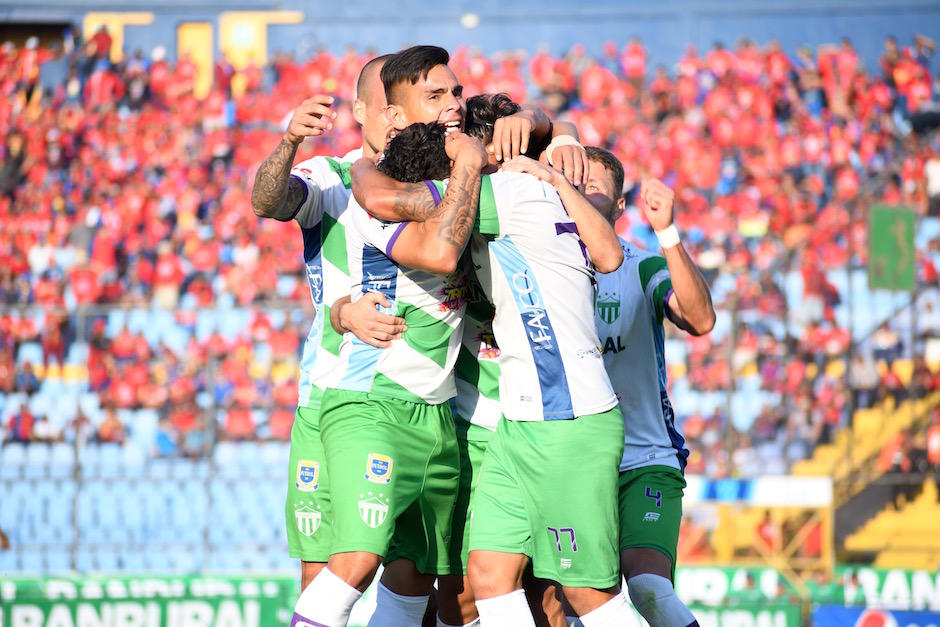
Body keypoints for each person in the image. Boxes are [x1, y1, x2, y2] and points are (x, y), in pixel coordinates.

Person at [374, 121, 631, 626]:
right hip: (519, 423)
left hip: (568, 418)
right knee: (488, 578)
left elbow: (392, 203)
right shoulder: (528, 186)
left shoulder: (507, 190)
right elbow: (609, 253)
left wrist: (360, 168)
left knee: (588, 598)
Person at [289, 115, 488, 627]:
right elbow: (440, 253)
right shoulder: (376, 211)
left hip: (438, 415)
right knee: (355, 563)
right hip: (377, 405)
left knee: (413, 582)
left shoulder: (462, 208)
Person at [251, 54, 408, 593]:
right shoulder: (329, 176)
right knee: (322, 573)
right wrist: (290, 140)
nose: (396, 117)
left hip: (418, 399)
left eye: (403, 106)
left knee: (426, 580)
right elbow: (268, 200)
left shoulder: (441, 185)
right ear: (361, 110)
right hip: (327, 398)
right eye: (385, 106)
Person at [568, 147, 714, 627]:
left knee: (648, 587)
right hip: (570, 461)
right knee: (568, 600)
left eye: (595, 189)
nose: (582, 194)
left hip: (643, 459)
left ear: (619, 207)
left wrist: (668, 232)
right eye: (574, 183)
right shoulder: (543, 268)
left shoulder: (640, 266)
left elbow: (700, 318)